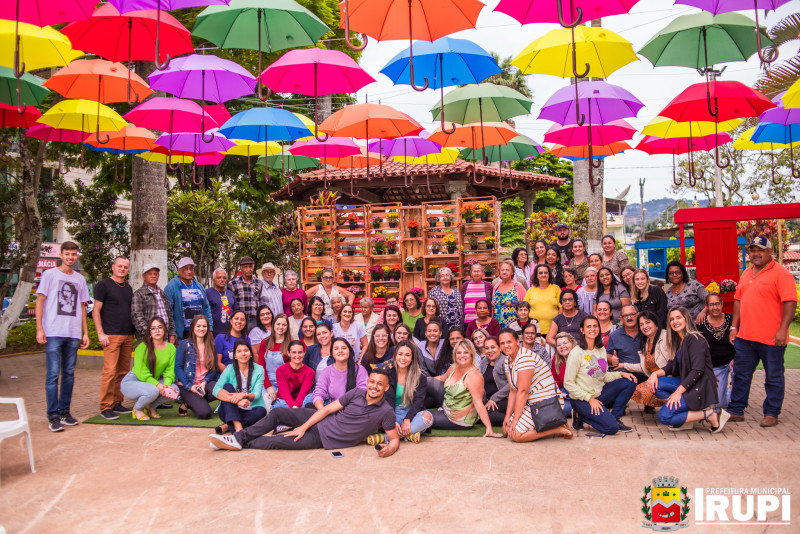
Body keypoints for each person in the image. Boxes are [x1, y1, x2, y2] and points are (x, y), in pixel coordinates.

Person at [209, 366, 400, 457]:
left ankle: (237, 443)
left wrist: (390, 449)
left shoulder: (386, 411)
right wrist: (303, 426)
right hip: (318, 419)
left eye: (379, 384)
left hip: (325, 439)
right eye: (372, 382)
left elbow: (394, 439)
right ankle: (237, 438)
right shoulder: (357, 393)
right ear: (367, 382)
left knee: (275, 442)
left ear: (386, 388)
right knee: (277, 413)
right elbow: (327, 409)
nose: (374, 387)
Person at [724, 237, 797, 428]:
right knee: (740, 374)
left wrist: (782, 330)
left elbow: (790, 301)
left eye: (760, 250)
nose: (756, 254)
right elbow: (738, 300)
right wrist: (734, 327)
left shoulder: (781, 274)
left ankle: (772, 412)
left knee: (773, 376)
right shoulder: (747, 272)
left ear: (770, 252)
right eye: (752, 250)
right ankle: (736, 409)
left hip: (771, 337)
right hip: (745, 336)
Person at [36, 241, 91, 431]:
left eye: (73, 254)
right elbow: (40, 302)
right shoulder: (49, 275)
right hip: (53, 332)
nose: (70, 257)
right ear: (61, 255)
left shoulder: (79, 279)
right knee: (52, 375)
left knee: (68, 374)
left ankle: (65, 412)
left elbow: (83, 307)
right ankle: (53, 416)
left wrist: (85, 332)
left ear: (77, 256)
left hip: (72, 333)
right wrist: (39, 329)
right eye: (67, 254)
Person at [646, 307, 725, 432]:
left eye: (678, 318)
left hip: (699, 388)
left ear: (686, 319)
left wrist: (678, 392)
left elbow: (697, 370)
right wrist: (654, 374)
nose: (675, 321)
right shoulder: (679, 340)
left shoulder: (695, 339)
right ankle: (684, 411)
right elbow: (670, 366)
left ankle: (710, 414)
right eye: (671, 319)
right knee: (655, 384)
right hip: (687, 385)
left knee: (665, 417)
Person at [564, 316, 637, 435]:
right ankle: (580, 415)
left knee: (630, 381)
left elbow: (603, 376)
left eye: (595, 326)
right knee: (611, 429)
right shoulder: (576, 353)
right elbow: (568, 383)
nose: (592, 329)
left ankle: (615, 418)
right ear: (582, 330)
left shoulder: (601, 349)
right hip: (581, 399)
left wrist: (621, 374)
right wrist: (590, 399)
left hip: (599, 394)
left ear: (599, 328)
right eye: (588, 326)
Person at [500, 329, 573, 441]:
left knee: (516, 435)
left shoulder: (525, 358)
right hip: (531, 401)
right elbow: (513, 391)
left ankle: (557, 428)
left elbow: (523, 391)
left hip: (546, 402)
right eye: (502, 343)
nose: (506, 346)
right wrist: (507, 417)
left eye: (509, 342)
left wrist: (515, 420)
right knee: (508, 426)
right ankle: (553, 424)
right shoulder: (507, 361)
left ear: (517, 341)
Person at [430, 340, 504, 437]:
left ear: (471, 355)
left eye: (466, 352)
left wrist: (489, 428)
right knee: (425, 381)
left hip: (458, 419)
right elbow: (441, 378)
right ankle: (406, 407)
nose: (462, 355)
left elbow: (478, 403)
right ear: (455, 355)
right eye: (459, 353)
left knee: (421, 416)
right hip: (448, 403)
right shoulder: (453, 368)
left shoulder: (473, 375)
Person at [93, 256, 135, 420]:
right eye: (120, 266)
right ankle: (105, 406)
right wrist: (100, 333)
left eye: (125, 267)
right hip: (111, 335)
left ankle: (117, 402)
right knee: (110, 371)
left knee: (123, 372)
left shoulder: (128, 287)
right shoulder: (103, 285)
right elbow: (96, 311)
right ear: (113, 267)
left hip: (127, 334)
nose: (122, 269)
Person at [368, 341, 433, 444]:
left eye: (407, 355)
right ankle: (409, 434)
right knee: (375, 416)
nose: (403, 358)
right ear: (395, 355)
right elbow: (383, 400)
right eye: (400, 354)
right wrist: (391, 419)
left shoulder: (420, 376)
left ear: (412, 358)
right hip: (391, 412)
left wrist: (408, 419)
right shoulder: (387, 373)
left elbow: (418, 402)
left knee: (428, 417)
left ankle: (386, 437)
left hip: (411, 412)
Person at [120, 317, 177, 421]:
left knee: (174, 390)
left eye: (160, 327)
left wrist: (167, 385)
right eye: (153, 328)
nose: (157, 330)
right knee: (153, 391)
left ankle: (150, 406)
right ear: (149, 332)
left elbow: (170, 370)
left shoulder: (170, 348)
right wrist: (159, 385)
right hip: (133, 381)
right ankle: (137, 408)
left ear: (165, 330)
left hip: (152, 382)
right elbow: (142, 372)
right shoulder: (142, 347)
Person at [212, 339, 267, 434]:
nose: (243, 354)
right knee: (227, 386)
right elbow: (216, 390)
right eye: (239, 351)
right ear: (235, 356)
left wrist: (243, 395)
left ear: (250, 354)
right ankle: (237, 428)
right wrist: (238, 401)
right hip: (229, 409)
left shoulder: (259, 370)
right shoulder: (229, 369)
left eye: (246, 350)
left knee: (262, 412)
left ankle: (228, 426)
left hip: (250, 409)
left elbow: (257, 394)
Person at [623, 311, 672, 413]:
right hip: (655, 378)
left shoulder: (666, 336)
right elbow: (644, 366)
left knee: (646, 390)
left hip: (669, 376)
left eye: (648, 322)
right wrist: (623, 365)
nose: (645, 326)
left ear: (656, 323)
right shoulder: (646, 342)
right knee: (639, 390)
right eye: (641, 324)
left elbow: (674, 361)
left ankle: (678, 404)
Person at [175, 315, 219, 419]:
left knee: (220, 391)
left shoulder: (211, 345)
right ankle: (188, 401)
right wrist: (189, 386)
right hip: (188, 384)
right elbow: (178, 367)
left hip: (204, 382)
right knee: (204, 413)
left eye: (204, 326)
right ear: (193, 327)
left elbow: (214, 368)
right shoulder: (184, 344)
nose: (201, 329)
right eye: (198, 326)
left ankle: (193, 401)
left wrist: (204, 382)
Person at [696, 296, 733, 412]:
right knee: (719, 404)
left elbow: (742, 342)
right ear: (706, 306)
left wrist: (737, 359)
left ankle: (734, 390)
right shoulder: (701, 322)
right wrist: (707, 369)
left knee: (741, 371)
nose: (715, 307)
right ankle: (728, 394)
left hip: (732, 361)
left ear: (722, 304)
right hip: (716, 365)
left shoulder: (731, 319)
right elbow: (699, 349)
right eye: (711, 304)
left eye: (717, 304)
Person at [164, 257, 213, 340]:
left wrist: (210, 328)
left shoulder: (199, 286)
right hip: (182, 333)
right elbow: (168, 312)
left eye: (191, 269)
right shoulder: (171, 287)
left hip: (199, 330)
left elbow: (207, 308)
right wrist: (172, 332)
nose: (189, 272)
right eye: (185, 269)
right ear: (179, 270)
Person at [312, 338, 368, 408]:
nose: (340, 351)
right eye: (336, 349)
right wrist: (322, 410)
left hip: (355, 411)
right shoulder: (327, 371)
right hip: (333, 412)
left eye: (344, 348)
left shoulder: (359, 370)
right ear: (332, 353)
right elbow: (319, 393)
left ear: (349, 351)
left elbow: (363, 393)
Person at [131, 264, 176, 343]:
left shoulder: (162, 293)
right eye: (150, 274)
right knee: (150, 356)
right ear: (144, 276)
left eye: (155, 274)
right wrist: (149, 333)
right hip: (148, 338)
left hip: (164, 336)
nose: (153, 276)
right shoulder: (139, 294)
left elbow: (169, 315)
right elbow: (137, 317)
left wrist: (171, 333)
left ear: (158, 276)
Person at [257, 313, 291, 406]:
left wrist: (281, 389)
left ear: (287, 327)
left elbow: (291, 370)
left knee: (281, 405)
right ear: (273, 325)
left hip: (284, 383)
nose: (281, 327)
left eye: (284, 325)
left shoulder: (290, 343)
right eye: (278, 324)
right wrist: (268, 386)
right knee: (266, 405)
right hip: (266, 381)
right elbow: (261, 366)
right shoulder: (265, 342)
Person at [273, 341, 315, 409]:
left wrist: (296, 406)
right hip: (285, 403)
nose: (297, 355)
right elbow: (284, 392)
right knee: (279, 404)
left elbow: (303, 392)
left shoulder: (310, 372)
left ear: (304, 353)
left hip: (301, 403)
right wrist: (293, 407)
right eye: (294, 352)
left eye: (300, 352)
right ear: (288, 353)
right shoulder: (280, 370)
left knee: (312, 396)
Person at [606, 305, 643, 379]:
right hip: (625, 371)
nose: (629, 318)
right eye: (625, 315)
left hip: (644, 370)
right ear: (621, 318)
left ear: (638, 315)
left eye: (632, 314)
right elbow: (608, 354)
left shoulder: (645, 331)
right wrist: (612, 359)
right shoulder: (614, 335)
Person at [227, 256, 264, 330]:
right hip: (241, 321)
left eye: (250, 267)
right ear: (241, 268)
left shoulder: (259, 282)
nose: (248, 269)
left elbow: (260, 300)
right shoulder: (233, 283)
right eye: (245, 267)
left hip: (255, 320)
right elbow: (231, 304)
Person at [524, 264, 561, 337]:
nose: (543, 275)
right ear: (536, 275)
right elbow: (524, 308)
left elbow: (561, 307)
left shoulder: (556, 288)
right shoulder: (531, 290)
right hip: (534, 330)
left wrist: (557, 323)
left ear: (549, 274)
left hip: (553, 330)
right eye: (540, 273)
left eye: (545, 273)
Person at [479, 336, 508, 426]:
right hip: (489, 400)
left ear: (499, 348)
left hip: (505, 399)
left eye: (493, 347)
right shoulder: (484, 362)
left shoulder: (506, 361)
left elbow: (511, 385)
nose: (490, 351)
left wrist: (494, 398)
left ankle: (512, 420)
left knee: (485, 415)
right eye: (486, 348)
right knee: (478, 413)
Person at [492, 260, 527, 329]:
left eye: (507, 270)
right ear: (499, 272)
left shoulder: (518, 286)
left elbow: (526, 304)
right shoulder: (496, 287)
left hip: (515, 325)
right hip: (498, 325)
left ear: (512, 272)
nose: (504, 272)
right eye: (502, 270)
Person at [428, 267, 464, 333]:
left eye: (447, 275)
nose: (445, 277)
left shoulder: (455, 290)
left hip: (457, 324)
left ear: (451, 278)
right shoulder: (434, 291)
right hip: (441, 324)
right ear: (438, 278)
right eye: (442, 276)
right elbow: (429, 308)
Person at [551, 332, 577, 418]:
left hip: (579, 394)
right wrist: (557, 391)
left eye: (565, 343)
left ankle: (578, 411)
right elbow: (555, 379)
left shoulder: (580, 357)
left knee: (559, 409)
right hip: (564, 392)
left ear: (572, 343)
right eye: (559, 345)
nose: (562, 346)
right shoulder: (556, 359)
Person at [206, 268, 236, 338]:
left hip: (230, 333)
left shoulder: (230, 293)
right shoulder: (207, 293)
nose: (222, 280)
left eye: (224, 278)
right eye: (219, 277)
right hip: (214, 333)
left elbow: (235, 311)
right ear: (213, 279)